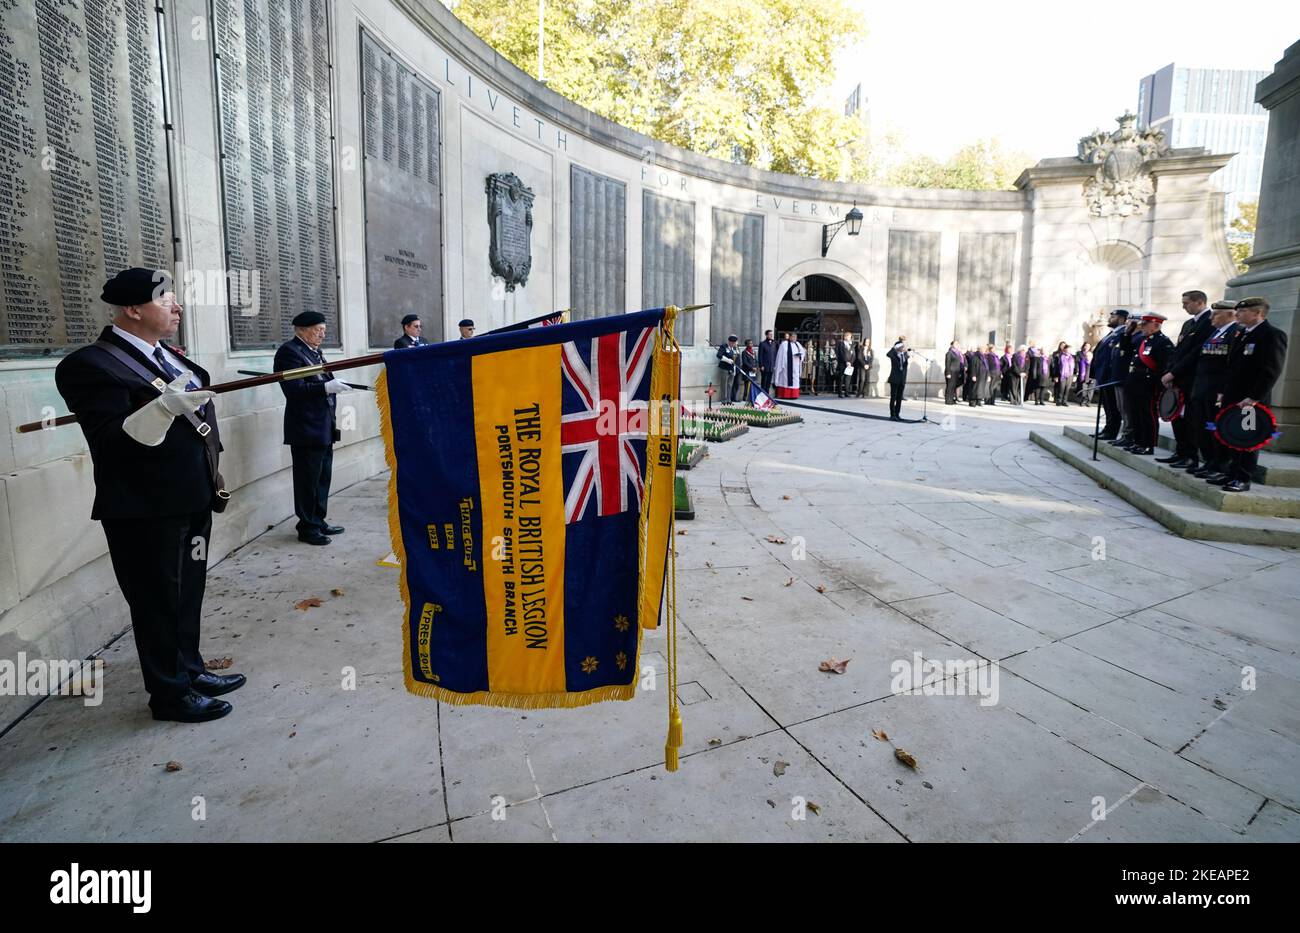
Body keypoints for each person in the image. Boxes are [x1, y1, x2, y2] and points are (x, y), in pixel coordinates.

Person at [54, 267, 244, 723]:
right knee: (157, 601)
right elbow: (112, 443)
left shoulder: (170, 356)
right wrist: (159, 410)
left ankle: (190, 670)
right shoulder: (90, 365)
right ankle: (169, 695)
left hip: (194, 495)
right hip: (146, 507)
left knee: (187, 593)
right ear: (134, 310)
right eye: (166, 301)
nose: (177, 308)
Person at [275, 311, 347, 545]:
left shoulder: (314, 352)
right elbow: (294, 390)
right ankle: (307, 527)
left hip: (323, 425)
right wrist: (326, 388)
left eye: (324, 330)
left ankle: (318, 520)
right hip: (306, 428)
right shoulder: (290, 352)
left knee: (322, 478)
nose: (323, 334)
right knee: (307, 480)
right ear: (302, 330)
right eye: (318, 330)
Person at [1217, 297, 1288, 492]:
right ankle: (1231, 473)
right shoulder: (1243, 334)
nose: (1237, 314)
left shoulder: (1272, 335)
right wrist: (1224, 391)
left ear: (1257, 313)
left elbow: (1271, 370)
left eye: (1242, 311)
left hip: (1251, 399)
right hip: (1233, 396)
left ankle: (1243, 478)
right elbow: (1232, 367)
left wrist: (1254, 397)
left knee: (1247, 438)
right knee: (1232, 435)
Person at [1156, 290, 1213, 467]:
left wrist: (1174, 373)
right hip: (1178, 378)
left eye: (1186, 303)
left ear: (1200, 302)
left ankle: (1190, 456)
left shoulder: (1209, 322)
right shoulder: (1189, 323)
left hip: (1191, 379)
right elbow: (1178, 351)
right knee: (1177, 417)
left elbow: (1195, 353)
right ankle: (1181, 452)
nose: (1183, 306)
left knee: (1190, 420)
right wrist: (1169, 371)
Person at [1187, 301, 1241, 483]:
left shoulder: (1235, 333)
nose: (1211, 317)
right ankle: (1210, 461)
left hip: (1216, 390)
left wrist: (1222, 390)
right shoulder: (1215, 332)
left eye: (1216, 313)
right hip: (1202, 387)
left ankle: (1220, 465)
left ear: (1230, 315)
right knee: (1202, 428)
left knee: (1215, 429)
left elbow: (1229, 366)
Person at [1121, 313, 1173, 455]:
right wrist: (1127, 332)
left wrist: (1158, 386)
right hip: (1135, 380)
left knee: (1147, 414)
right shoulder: (1143, 340)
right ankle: (1138, 442)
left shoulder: (1163, 342)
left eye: (1145, 325)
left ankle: (1148, 444)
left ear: (1156, 325)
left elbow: (1164, 366)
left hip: (1148, 383)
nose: (1142, 327)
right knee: (1135, 413)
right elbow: (1125, 350)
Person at [1090, 310, 1129, 439]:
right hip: (1103, 375)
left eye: (1113, 316)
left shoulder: (1123, 333)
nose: (1110, 318)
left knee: (1113, 406)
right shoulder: (1112, 333)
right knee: (1107, 405)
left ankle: (1111, 431)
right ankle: (1107, 428)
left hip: (1110, 375)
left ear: (1122, 319)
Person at [772, 332, 806, 399]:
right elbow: (780, 356)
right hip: (786, 367)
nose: (794, 338)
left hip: (795, 366)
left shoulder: (798, 344)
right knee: (785, 381)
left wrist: (800, 355)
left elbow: (803, 352)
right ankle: (785, 395)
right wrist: (781, 365)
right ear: (790, 337)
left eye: (795, 337)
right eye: (793, 337)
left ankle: (794, 395)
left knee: (795, 381)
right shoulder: (784, 344)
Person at [887, 336, 909, 420]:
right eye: (902, 346)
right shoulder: (893, 355)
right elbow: (888, 354)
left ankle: (897, 414)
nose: (903, 348)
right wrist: (894, 348)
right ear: (898, 347)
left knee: (899, 398)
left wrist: (906, 353)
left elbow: (905, 366)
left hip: (902, 379)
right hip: (894, 379)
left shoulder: (904, 355)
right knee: (893, 397)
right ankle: (892, 415)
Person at [715, 334, 740, 403]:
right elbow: (719, 355)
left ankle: (729, 400)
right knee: (724, 385)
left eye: (735, 343)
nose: (734, 344)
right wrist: (727, 360)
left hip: (731, 369)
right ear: (730, 342)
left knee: (730, 385)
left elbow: (736, 359)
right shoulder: (724, 346)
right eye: (733, 342)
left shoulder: (735, 348)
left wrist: (734, 369)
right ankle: (724, 400)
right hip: (724, 368)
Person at [943, 341, 965, 405]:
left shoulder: (958, 353)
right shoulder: (949, 353)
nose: (957, 345)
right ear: (952, 345)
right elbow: (947, 363)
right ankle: (948, 400)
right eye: (956, 344)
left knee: (953, 387)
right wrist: (948, 373)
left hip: (956, 372)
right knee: (950, 386)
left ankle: (951, 399)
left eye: (958, 344)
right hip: (951, 372)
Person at [738, 338, 759, 402]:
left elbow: (756, 360)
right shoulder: (744, 352)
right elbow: (745, 362)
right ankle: (745, 397)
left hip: (753, 371)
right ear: (747, 344)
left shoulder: (753, 352)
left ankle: (752, 396)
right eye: (750, 343)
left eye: (752, 343)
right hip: (747, 371)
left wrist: (756, 367)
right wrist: (751, 368)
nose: (751, 344)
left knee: (753, 384)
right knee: (747, 385)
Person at [758, 330, 777, 394]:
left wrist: (774, 364)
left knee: (769, 382)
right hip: (765, 366)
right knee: (764, 382)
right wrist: (761, 365)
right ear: (766, 335)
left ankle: (767, 395)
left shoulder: (774, 343)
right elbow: (760, 355)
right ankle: (763, 394)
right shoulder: (762, 344)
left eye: (772, 334)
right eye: (770, 334)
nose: (771, 336)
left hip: (771, 366)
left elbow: (775, 354)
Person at [834, 330, 853, 397]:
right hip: (842, 364)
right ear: (845, 337)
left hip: (850, 365)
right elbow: (841, 354)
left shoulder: (851, 345)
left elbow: (853, 355)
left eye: (850, 337)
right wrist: (846, 362)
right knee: (841, 378)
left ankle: (847, 392)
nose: (849, 338)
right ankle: (840, 393)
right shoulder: (841, 344)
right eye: (848, 337)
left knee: (848, 379)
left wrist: (851, 362)